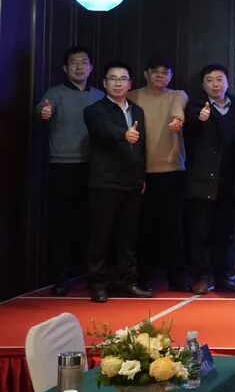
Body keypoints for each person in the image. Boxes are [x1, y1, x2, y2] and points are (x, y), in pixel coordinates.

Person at [35, 45, 104, 295]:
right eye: (74, 62)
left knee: (92, 222)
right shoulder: (54, 93)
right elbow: (43, 109)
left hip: (94, 167)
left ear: (91, 67)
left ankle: (92, 275)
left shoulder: (99, 95)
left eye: (84, 62)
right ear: (65, 68)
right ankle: (61, 276)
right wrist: (44, 112)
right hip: (63, 166)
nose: (79, 66)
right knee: (62, 224)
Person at [83, 62, 151, 303]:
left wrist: (142, 176)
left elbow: (142, 147)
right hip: (105, 181)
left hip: (132, 182)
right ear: (104, 83)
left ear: (130, 84)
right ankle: (98, 284)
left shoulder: (137, 111)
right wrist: (124, 134)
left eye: (123, 79)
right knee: (101, 236)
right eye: (113, 78)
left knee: (128, 237)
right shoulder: (94, 110)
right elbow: (103, 129)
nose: (118, 83)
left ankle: (127, 282)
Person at [129, 55, 188, 291]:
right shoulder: (133, 96)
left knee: (173, 227)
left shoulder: (177, 95)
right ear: (146, 74)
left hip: (173, 170)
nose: (160, 76)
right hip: (143, 172)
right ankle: (143, 276)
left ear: (171, 76)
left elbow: (178, 109)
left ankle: (176, 276)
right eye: (155, 72)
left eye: (165, 72)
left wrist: (177, 120)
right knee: (145, 227)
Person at [183, 63, 235, 295]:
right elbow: (188, 126)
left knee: (225, 232)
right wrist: (199, 118)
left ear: (227, 82)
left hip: (230, 180)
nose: (215, 84)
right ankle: (201, 277)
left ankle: (223, 276)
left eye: (219, 79)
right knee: (200, 232)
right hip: (203, 180)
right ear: (203, 85)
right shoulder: (196, 106)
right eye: (209, 80)